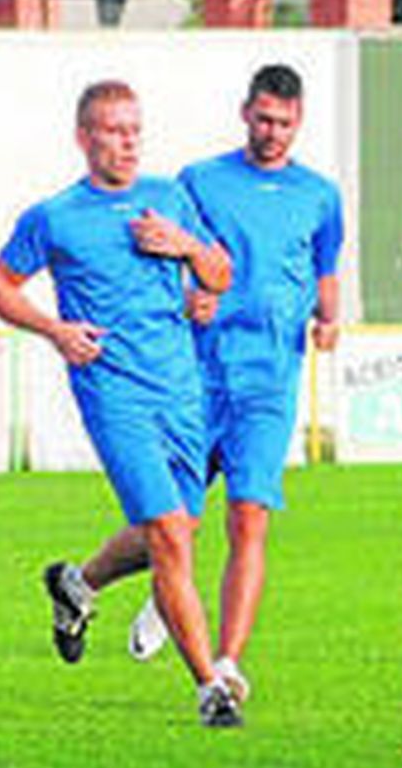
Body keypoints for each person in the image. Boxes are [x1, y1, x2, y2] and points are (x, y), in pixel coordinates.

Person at [0, 80, 243, 727]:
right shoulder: (55, 216)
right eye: (112, 130)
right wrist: (57, 330)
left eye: (134, 130)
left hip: (181, 386)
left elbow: (219, 274)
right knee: (167, 536)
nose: (126, 142)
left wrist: (183, 246)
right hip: (113, 389)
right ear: (84, 137)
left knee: (178, 530)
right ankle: (210, 685)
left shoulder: (167, 197)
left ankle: (79, 582)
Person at [119, 63, 343, 711]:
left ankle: (227, 659)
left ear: (298, 122)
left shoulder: (319, 195)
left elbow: (324, 268)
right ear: (245, 112)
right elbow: (165, 264)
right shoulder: (200, 181)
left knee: (250, 516)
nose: (273, 132)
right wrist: (190, 294)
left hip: (269, 378)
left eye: (285, 122)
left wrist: (329, 317)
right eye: (264, 118)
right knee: (175, 523)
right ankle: (93, 581)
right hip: (199, 375)